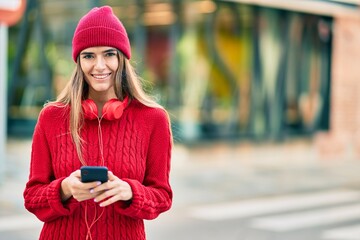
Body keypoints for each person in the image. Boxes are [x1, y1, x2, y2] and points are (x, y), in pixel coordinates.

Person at [23, 5, 172, 240]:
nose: (99, 66)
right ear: (79, 61)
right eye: (89, 55)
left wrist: (130, 191)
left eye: (109, 54)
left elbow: (162, 197)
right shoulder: (51, 117)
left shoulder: (153, 119)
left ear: (122, 58)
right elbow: (32, 197)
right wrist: (65, 189)